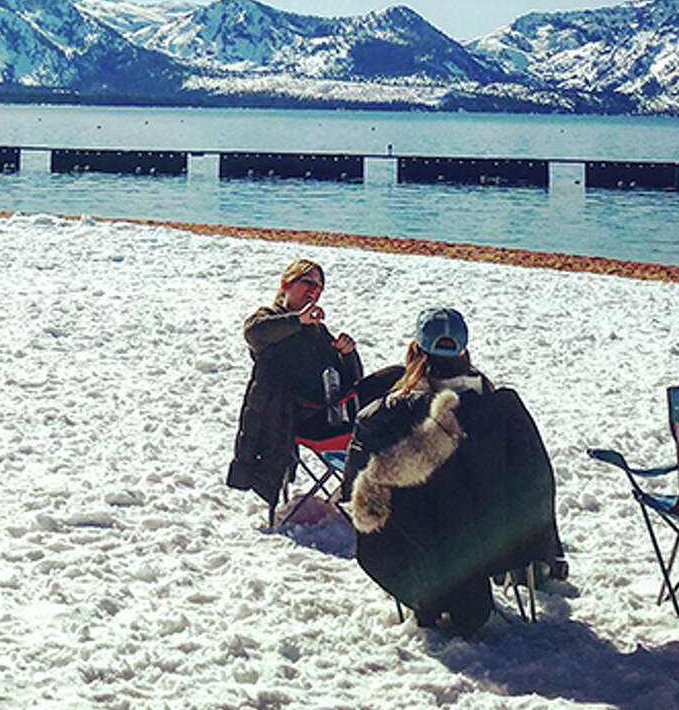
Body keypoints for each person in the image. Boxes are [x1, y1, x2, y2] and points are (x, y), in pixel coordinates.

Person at [340, 305, 564, 635]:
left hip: (417, 546)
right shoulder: (503, 407)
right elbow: (536, 478)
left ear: (413, 350)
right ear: (464, 352)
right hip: (499, 540)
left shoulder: (384, 416)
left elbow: (355, 494)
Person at [226, 259, 364, 510]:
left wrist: (347, 353)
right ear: (286, 284)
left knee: (392, 379)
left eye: (319, 286)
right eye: (307, 282)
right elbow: (253, 333)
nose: (314, 290)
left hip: (330, 412)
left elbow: (352, 379)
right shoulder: (270, 319)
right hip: (292, 419)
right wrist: (297, 321)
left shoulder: (317, 330)